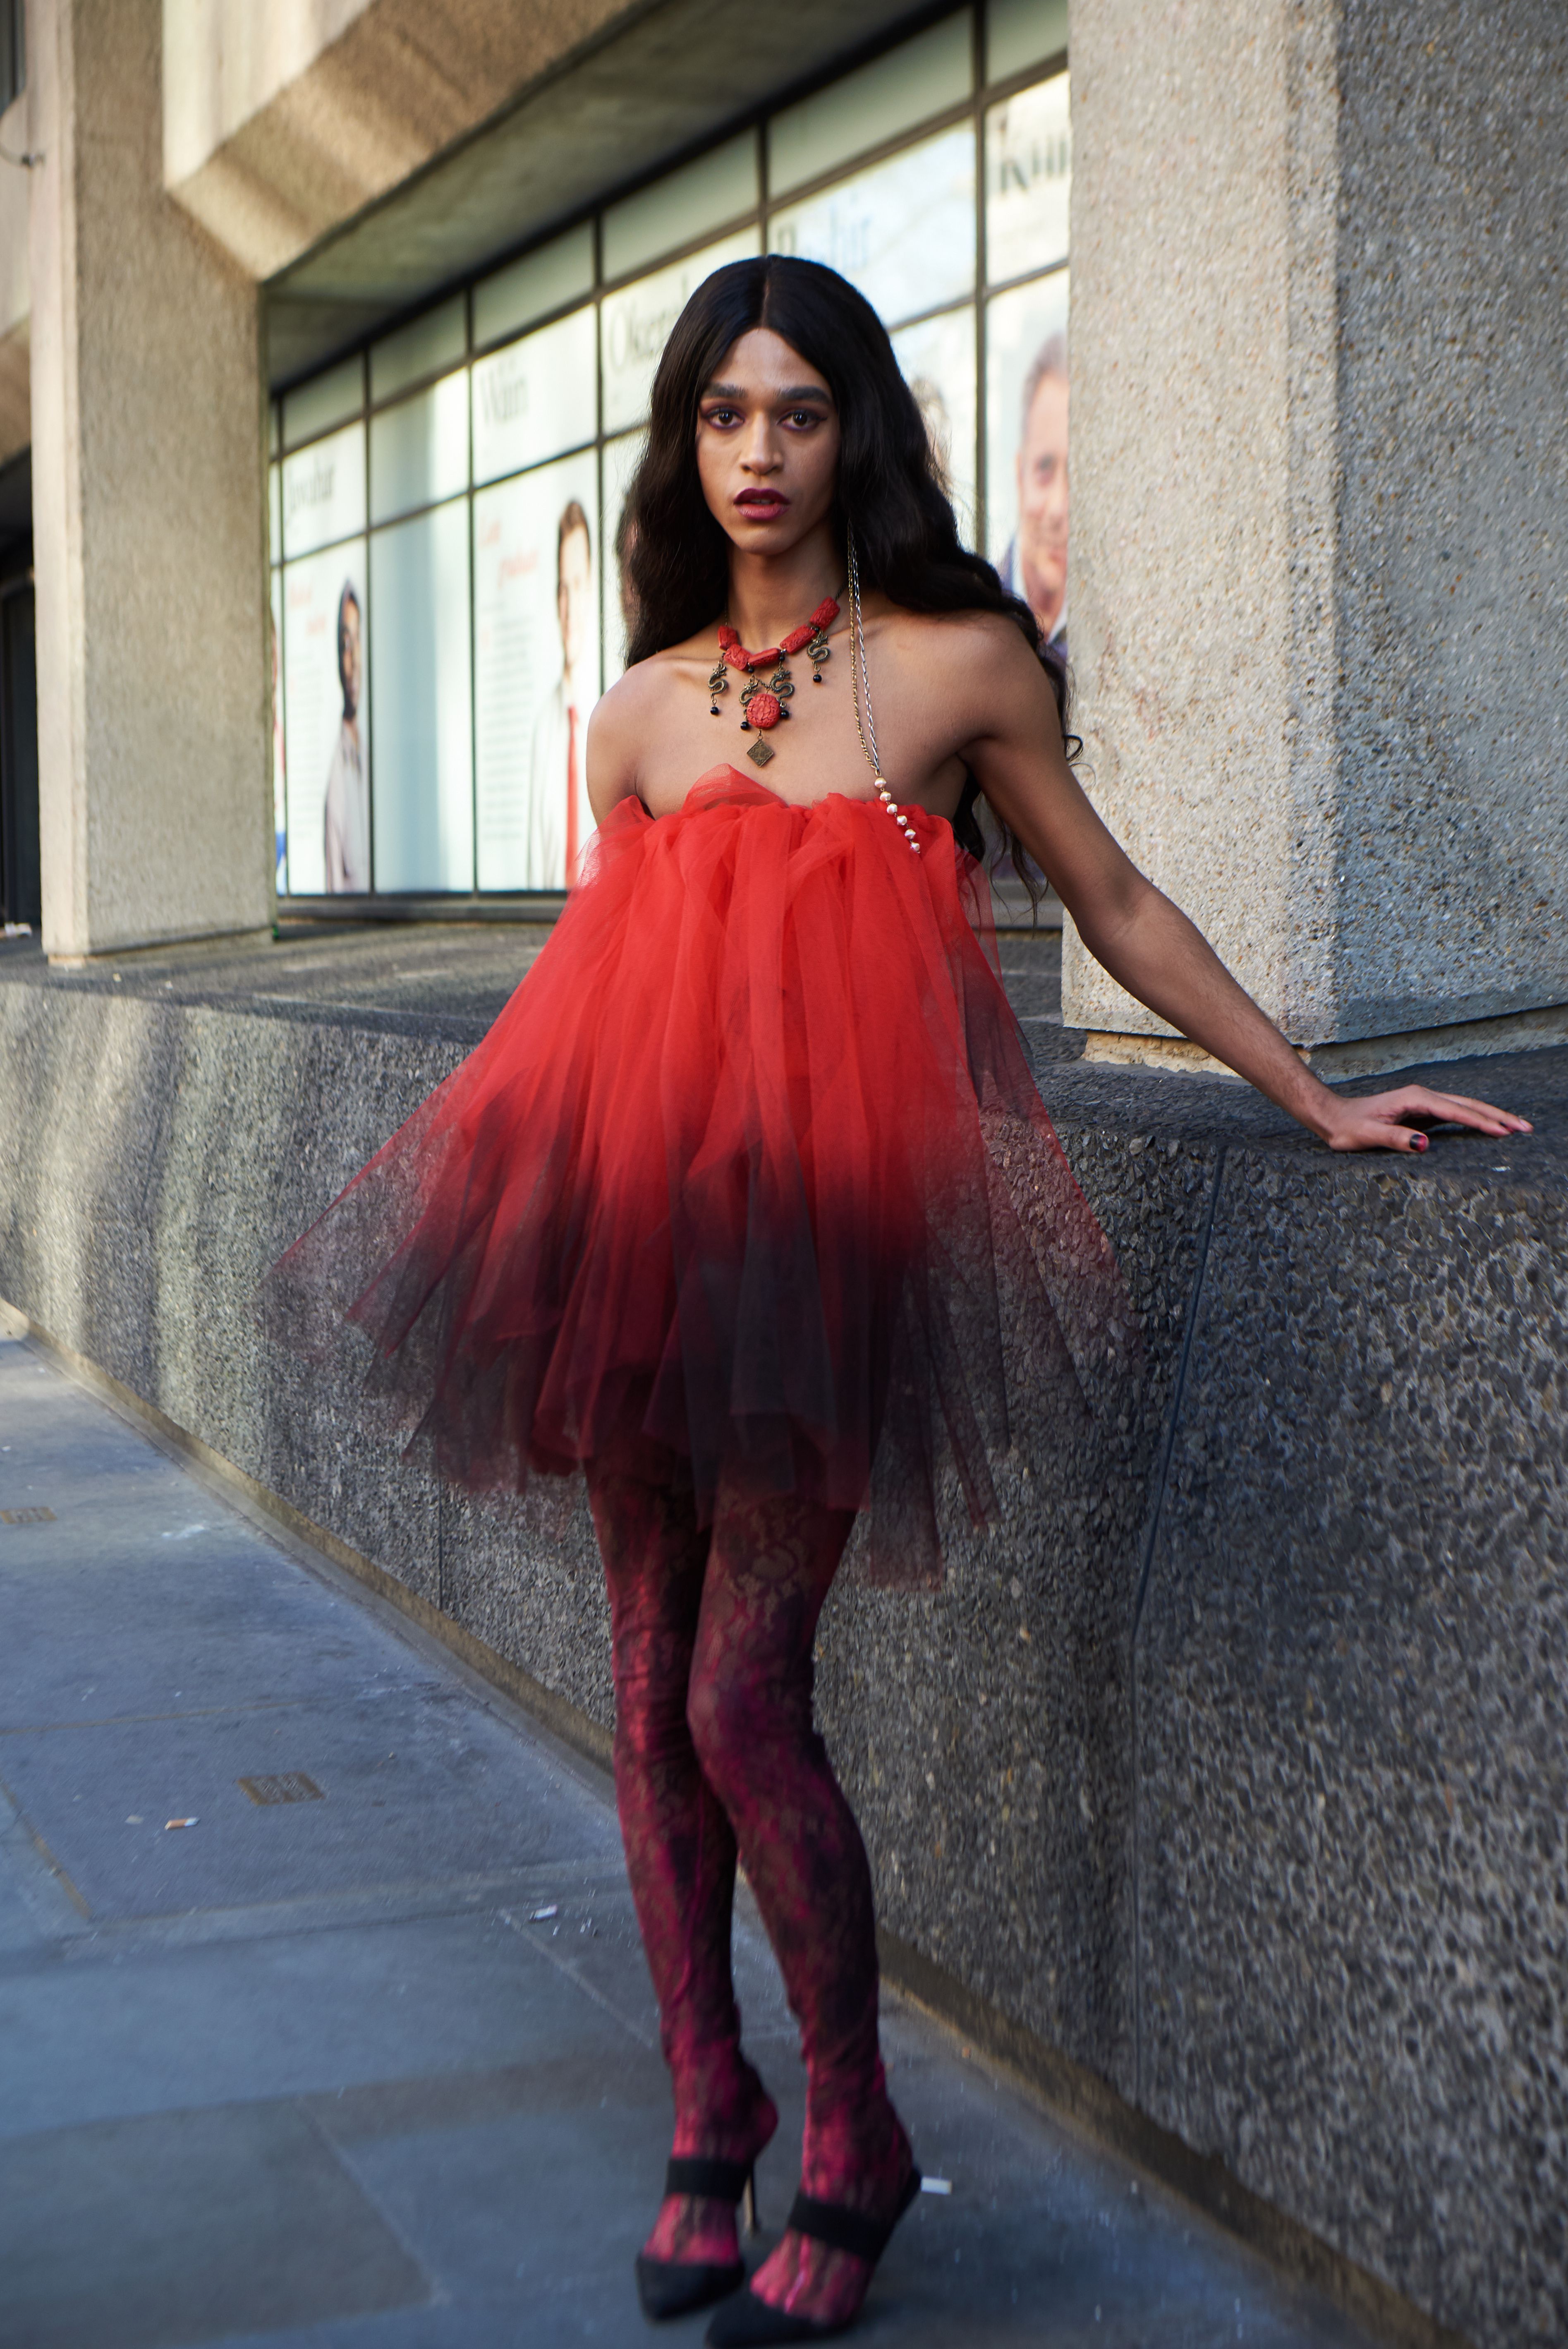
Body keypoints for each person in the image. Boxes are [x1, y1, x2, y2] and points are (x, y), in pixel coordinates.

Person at [263, 257, 1527, 2342]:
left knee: (739, 1700)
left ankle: (846, 2129)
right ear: (683, 443)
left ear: (854, 425)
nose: (756, 451)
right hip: (634, 1234)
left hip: (820, 1257)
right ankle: (710, 2108)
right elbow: (605, 986)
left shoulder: (952, 669)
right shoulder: (636, 711)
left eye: (795, 409)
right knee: (643, 1695)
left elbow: (1110, 897)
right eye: (720, 414)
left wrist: (1307, 1090)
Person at [525, 500, 595, 887]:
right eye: (562, 589)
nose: (569, 607)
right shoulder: (544, 728)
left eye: (578, 585)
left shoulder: (610, 716)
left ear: (592, 590)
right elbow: (535, 864)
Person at [998, 331, 1068, 650]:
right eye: (1044, 469)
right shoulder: (972, 618)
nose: (1058, 508)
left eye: (1077, 476)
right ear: (1019, 475)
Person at [322, 582, 368, 893]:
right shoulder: (337, 782)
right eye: (345, 646)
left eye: (357, 642)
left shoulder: (375, 762)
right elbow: (334, 893)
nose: (352, 661)